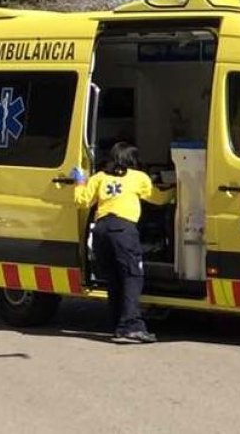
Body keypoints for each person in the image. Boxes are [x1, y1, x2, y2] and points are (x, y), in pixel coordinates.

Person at [74, 142, 174, 343]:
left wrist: (79, 182)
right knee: (132, 277)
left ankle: (118, 326)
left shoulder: (99, 177)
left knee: (115, 280)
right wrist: (176, 189)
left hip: (101, 231)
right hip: (123, 231)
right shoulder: (138, 177)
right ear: (132, 160)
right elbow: (158, 198)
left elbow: (82, 201)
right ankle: (132, 326)